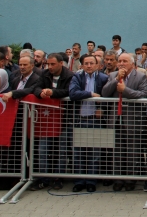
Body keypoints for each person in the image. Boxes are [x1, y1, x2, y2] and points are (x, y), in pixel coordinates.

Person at [102, 53, 147, 192]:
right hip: (115, 119)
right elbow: (104, 92)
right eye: (120, 61)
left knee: (132, 151)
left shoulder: (140, 76)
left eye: (125, 61)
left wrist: (125, 90)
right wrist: (116, 80)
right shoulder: (112, 76)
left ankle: (130, 179)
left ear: (132, 64)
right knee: (117, 151)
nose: (121, 64)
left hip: (132, 119)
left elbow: (142, 94)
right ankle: (118, 179)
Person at [32, 52, 75, 190]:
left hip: (64, 118)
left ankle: (58, 177)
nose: (49, 67)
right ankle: (43, 177)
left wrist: (52, 92)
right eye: (48, 64)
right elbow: (36, 88)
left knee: (61, 149)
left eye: (52, 64)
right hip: (47, 119)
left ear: (61, 64)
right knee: (43, 149)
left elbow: (70, 92)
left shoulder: (69, 76)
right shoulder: (44, 74)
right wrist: (41, 93)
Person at [69, 54, 109, 193]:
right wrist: (91, 94)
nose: (89, 66)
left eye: (92, 63)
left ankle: (91, 181)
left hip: (96, 120)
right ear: (82, 65)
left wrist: (101, 108)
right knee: (78, 152)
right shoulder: (77, 77)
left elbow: (108, 97)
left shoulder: (104, 78)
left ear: (98, 65)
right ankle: (79, 181)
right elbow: (73, 94)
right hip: (81, 119)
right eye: (86, 63)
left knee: (95, 153)